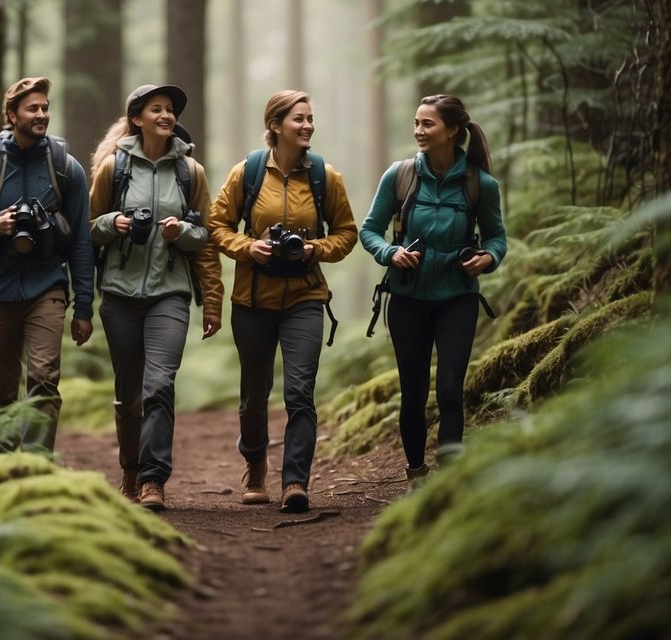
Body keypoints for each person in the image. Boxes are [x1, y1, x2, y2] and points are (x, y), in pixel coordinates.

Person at [208, 90, 358, 513]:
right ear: (275, 125)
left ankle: (295, 481)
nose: (308, 126)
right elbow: (216, 225)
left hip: (305, 298)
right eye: (299, 119)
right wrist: (246, 247)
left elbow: (347, 233)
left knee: (300, 392)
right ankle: (255, 465)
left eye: (311, 118)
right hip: (252, 301)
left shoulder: (325, 177)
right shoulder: (248, 173)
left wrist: (315, 250)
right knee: (254, 395)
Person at [359, 94, 507, 487]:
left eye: (428, 124)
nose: (418, 131)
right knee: (413, 392)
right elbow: (369, 229)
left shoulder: (480, 183)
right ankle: (416, 473)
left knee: (450, 390)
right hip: (407, 300)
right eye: (416, 123)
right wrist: (390, 252)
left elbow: (497, 238)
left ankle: (449, 479)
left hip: (457, 299)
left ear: (453, 131)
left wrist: (488, 259)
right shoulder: (401, 175)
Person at [88, 84, 223, 511]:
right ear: (137, 118)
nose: (165, 115)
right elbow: (88, 228)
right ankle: (129, 469)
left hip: (170, 292)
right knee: (129, 393)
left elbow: (206, 235)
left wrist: (180, 232)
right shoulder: (113, 168)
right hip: (119, 293)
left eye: (170, 110)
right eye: (156, 109)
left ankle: (152, 480)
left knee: (159, 384)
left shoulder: (191, 171)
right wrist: (115, 222)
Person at [0, 77, 94, 452]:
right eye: (32, 108)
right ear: (11, 114)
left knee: (44, 376)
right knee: (2, 385)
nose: (41, 115)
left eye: (45, 107)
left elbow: (81, 243)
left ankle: (35, 464)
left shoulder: (66, 169)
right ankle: (0, 465)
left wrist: (83, 306)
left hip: (47, 286)